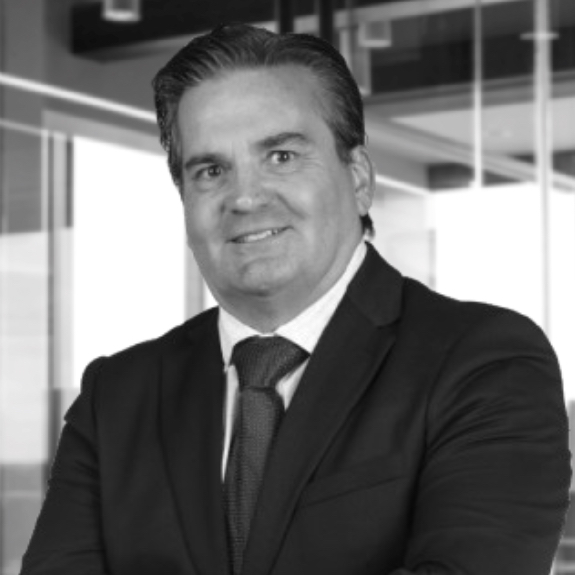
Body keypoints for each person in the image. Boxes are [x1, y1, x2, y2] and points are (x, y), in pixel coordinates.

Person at [21, 23, 571, 575]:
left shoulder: (484, 362)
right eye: (211, 170)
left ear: (359, 178)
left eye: (281, 156)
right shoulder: (116, 397)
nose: (245, 197)